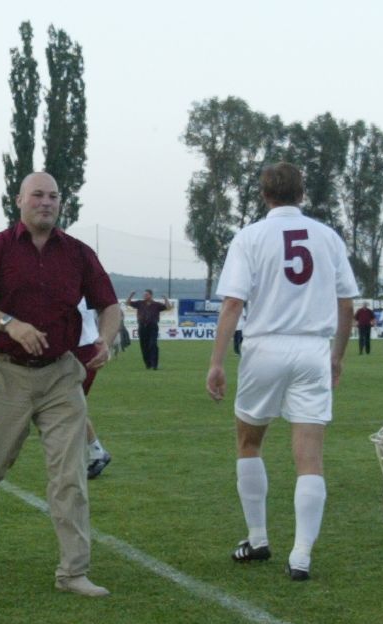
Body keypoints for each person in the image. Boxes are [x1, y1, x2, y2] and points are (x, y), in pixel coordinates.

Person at [0, 171, 121, 597]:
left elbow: (109, 304)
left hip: (61, 375)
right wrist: (10, 324)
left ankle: (73, 572)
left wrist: (105, 336)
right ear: (19, 201)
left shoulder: (79, 254)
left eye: (53, 196)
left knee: (70, 476)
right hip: (5, 374)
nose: (46, 202)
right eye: (37, 196)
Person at [207, 162, 356, 582]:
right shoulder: (327, 237)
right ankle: (302, 555)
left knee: (248, 442)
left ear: (264, 194)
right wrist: (337, 356)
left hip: (265, 346)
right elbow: (347, 304)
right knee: (310, 458)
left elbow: (233, 303)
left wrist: (217, 362)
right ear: (302, 193)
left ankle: (257, 539)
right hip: (313, 348)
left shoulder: (251, 237)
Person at [74, 299, 112, 480]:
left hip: (83, 348)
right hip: (78, 347)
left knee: (70, 404)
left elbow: (109, 306)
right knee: (70, 405)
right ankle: (96, 452)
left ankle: (96, 452)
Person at [127, 289, 171, 369]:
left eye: (146, 294)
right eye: (144, 295)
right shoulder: (140, 303)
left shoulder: (156, 304)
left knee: (153, 344)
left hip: (152, 326)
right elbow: (128, 303)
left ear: (151, 295)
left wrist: (165, 299)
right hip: (142, 326)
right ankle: (148, 364)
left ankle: (155, 365)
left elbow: (168, 307)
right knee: (144, 346)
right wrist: (131, 295)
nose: (145, 296)